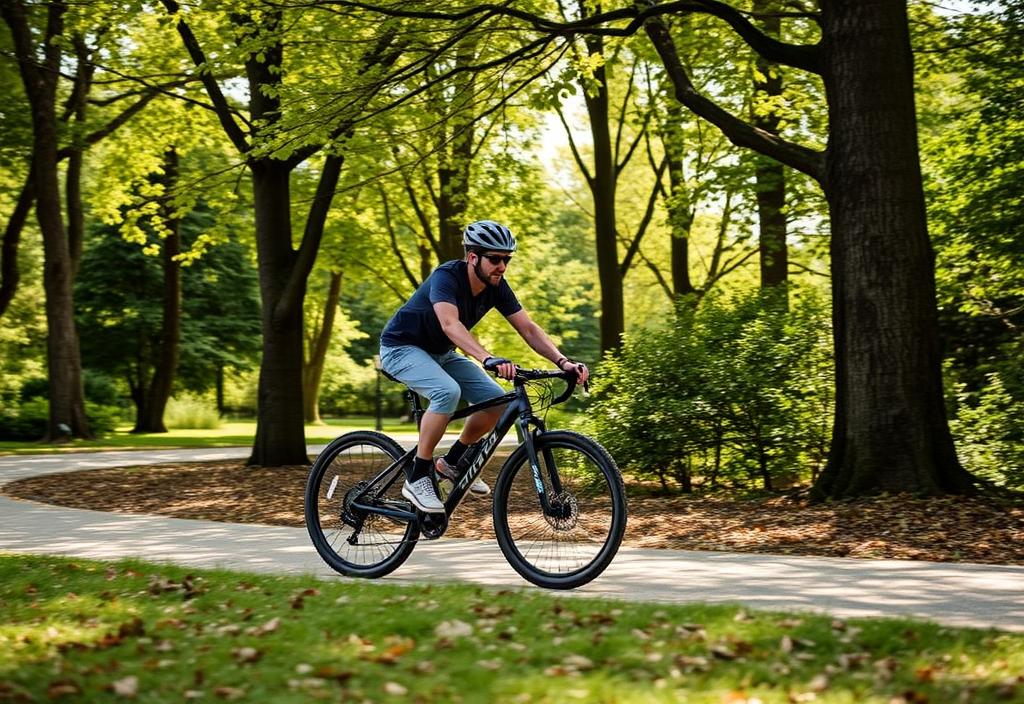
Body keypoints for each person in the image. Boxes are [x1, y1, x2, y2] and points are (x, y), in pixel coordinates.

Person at [378, 220, 589, 514]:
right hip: (401, 348)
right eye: (495, 259)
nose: (501, 266)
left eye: (506, 260)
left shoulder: (496, 287)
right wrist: (486, 357)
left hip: (441, 354)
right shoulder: (447, 277)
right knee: (446, 392)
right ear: (473, 257)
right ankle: (418, 476)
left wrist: (563, 361)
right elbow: (450, 324)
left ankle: (452, 463)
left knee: (496, 402)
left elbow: (528, 328)